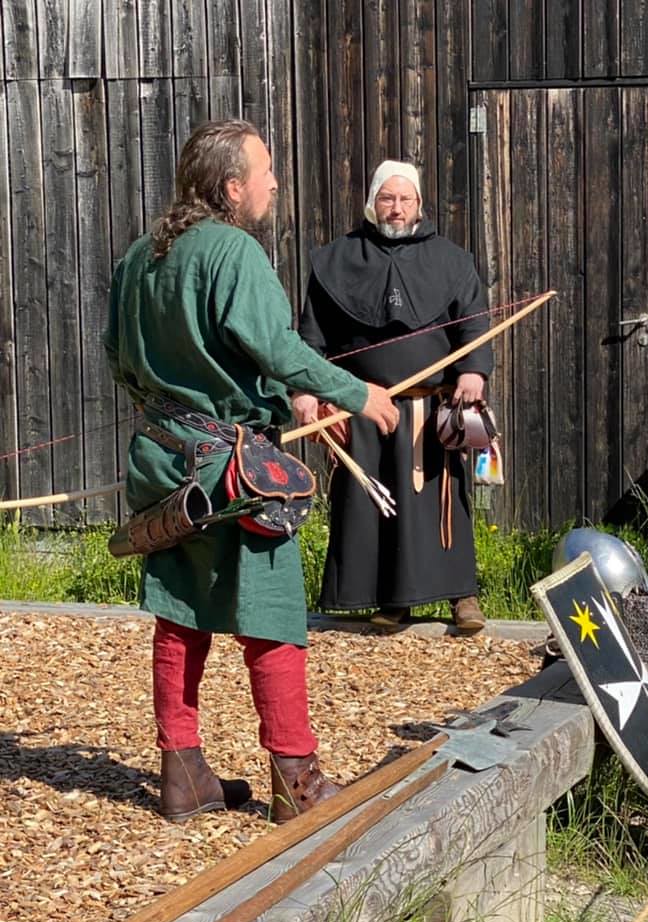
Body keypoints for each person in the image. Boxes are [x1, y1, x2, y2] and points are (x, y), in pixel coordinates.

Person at [104, 120, 399, 823]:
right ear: (232, 187)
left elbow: (118, 357)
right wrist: (360, 395)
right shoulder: (233, 251)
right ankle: (297, 781)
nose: (273, 182)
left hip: (162, 458)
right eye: (265, 170)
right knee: (271, 614)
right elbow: (277, 347)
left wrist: (182, 410)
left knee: (180, 610)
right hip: (234, 473)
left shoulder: (139, 256)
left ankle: (183, 775)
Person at [294, 160, 493, 631]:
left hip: (431, 407)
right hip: (361, 406)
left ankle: (460, 598)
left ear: (419, 204)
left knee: (443, 502)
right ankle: (391, 601)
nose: (396, 208)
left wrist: (474, 372)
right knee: (375, 504)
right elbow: (311, 335)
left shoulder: (451, 260)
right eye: (388, 198)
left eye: (405, 199)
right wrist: (304, 388)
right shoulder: (338, 258)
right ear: (372, 202)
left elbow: (475, 325)